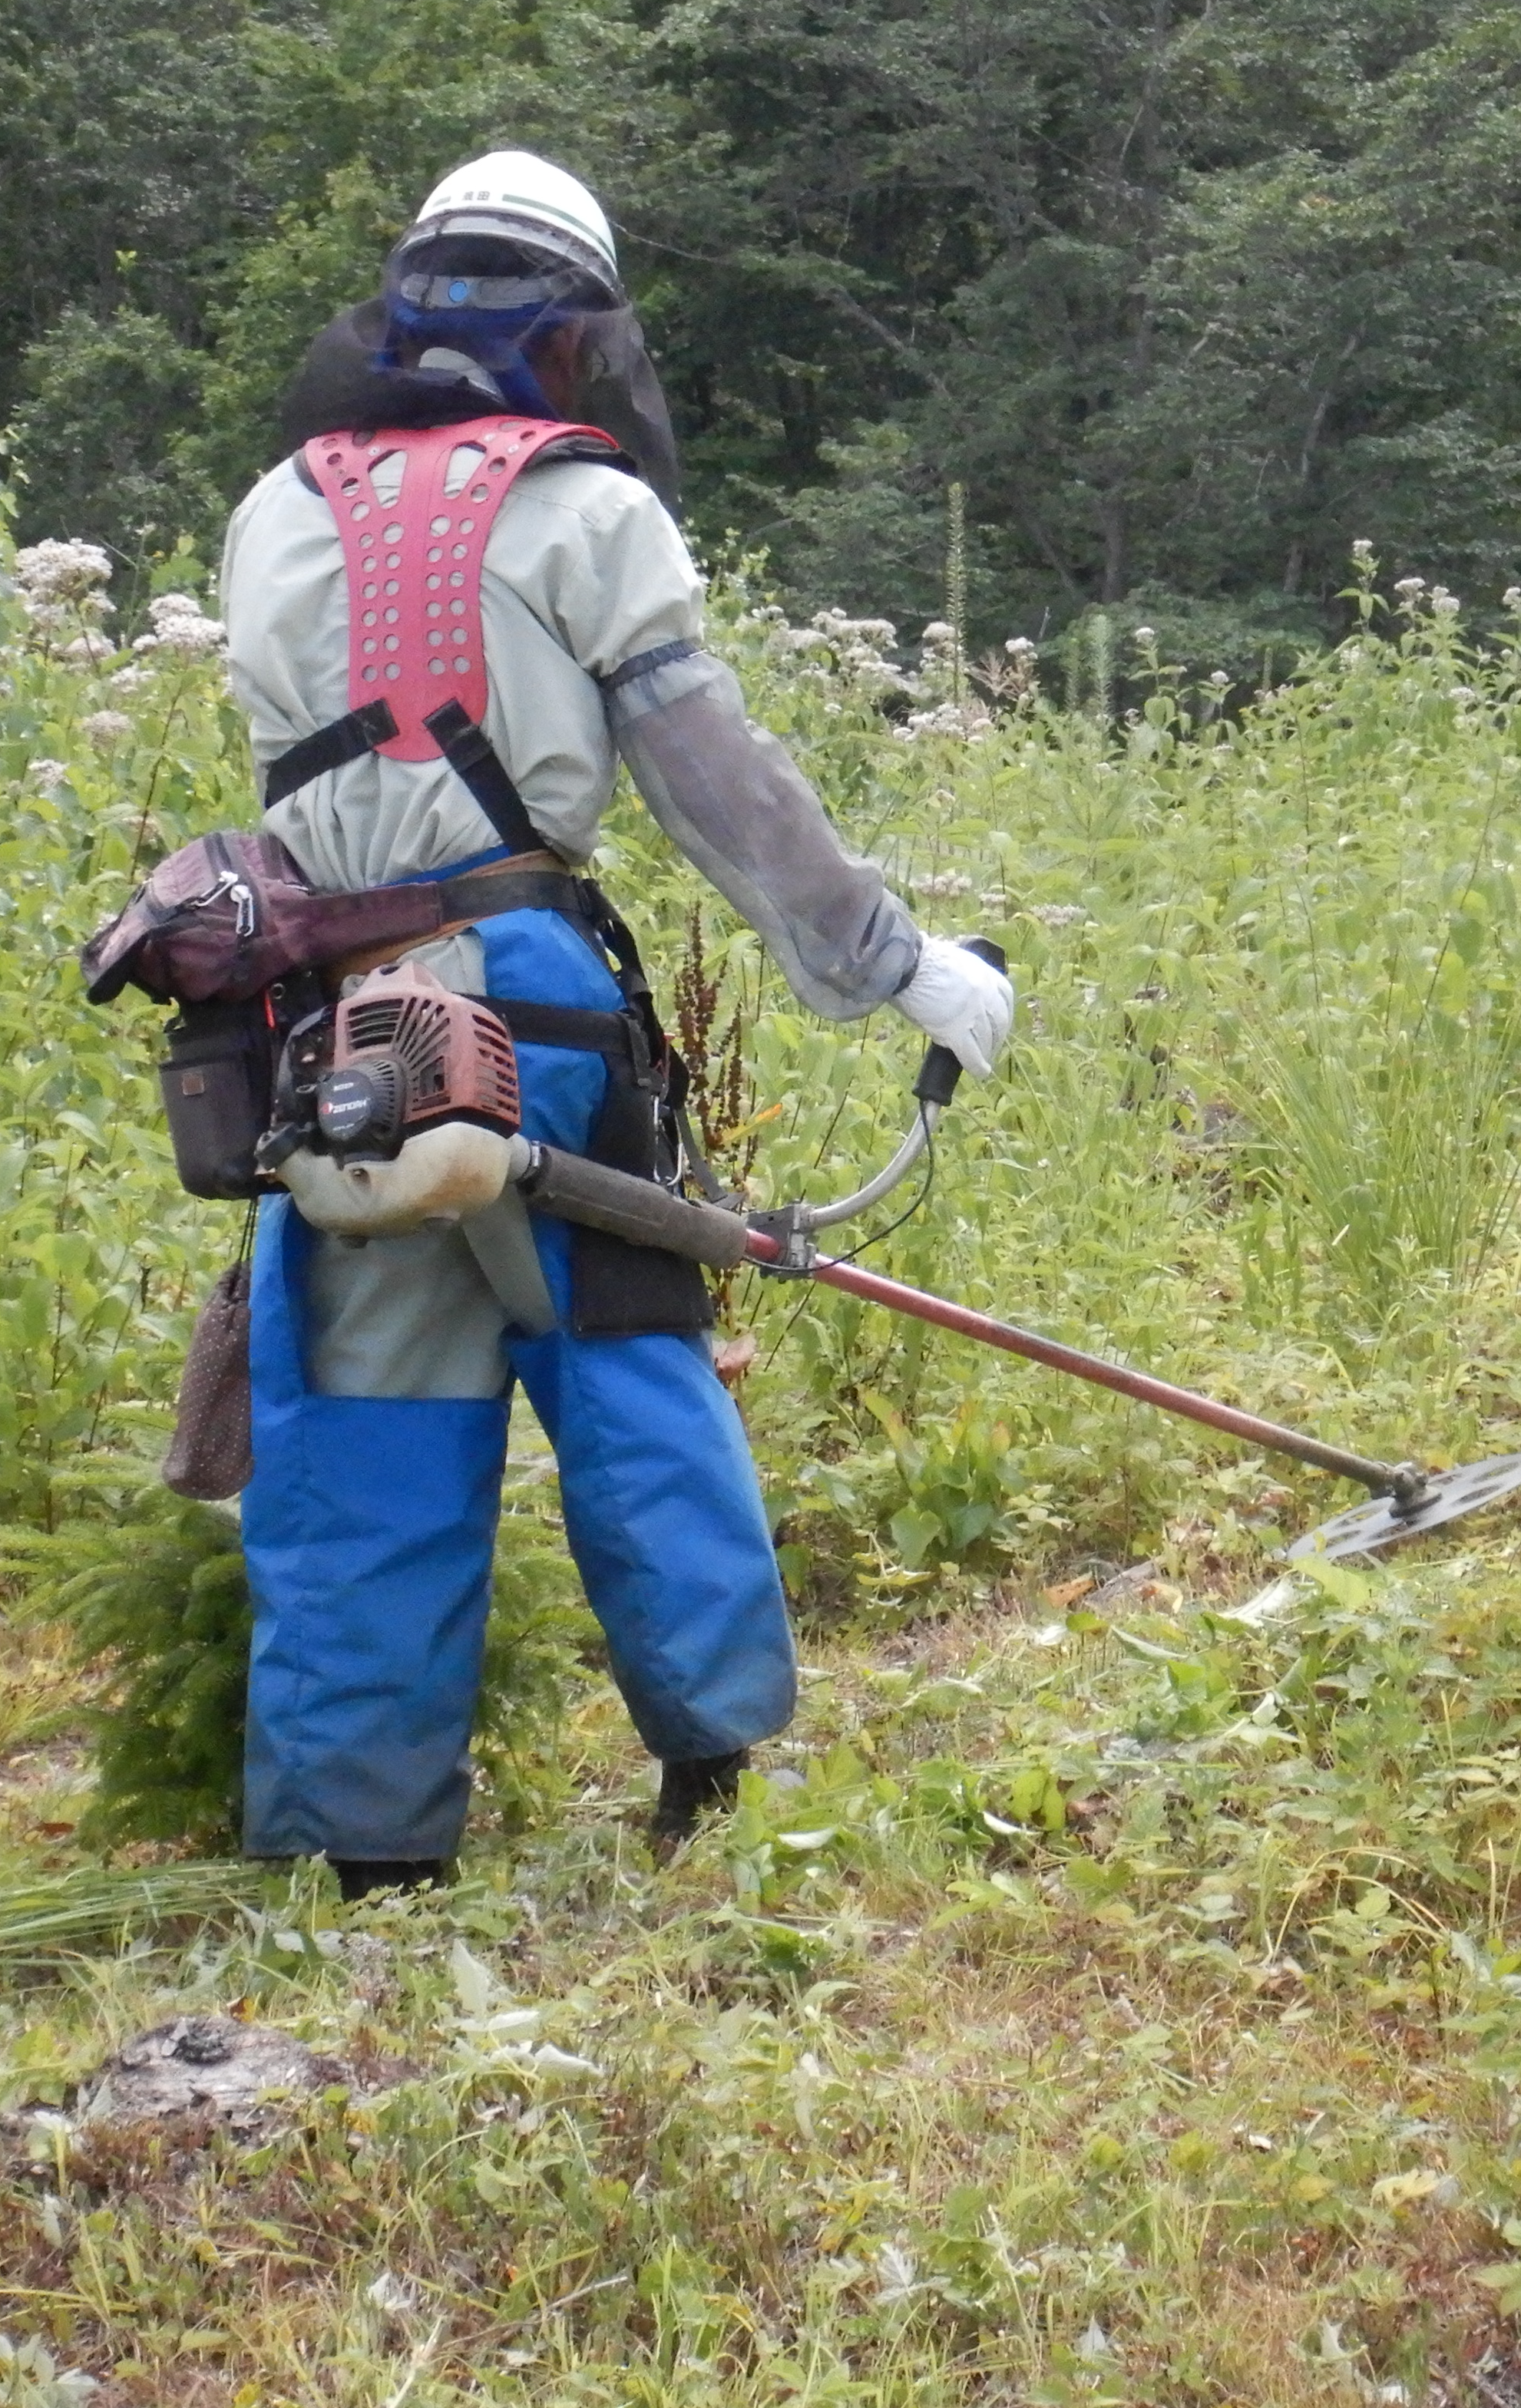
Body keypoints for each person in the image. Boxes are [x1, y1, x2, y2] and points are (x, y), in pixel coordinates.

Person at [217, 150, 1014, 1897]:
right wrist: (892, 963)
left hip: (342, 1027)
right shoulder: (586, 507)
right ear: (575, 331)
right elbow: (714, 778)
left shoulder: (275, 508)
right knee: (627, 1359)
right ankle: (710, 1776)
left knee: (364, 1415)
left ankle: (362, 1857)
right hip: (533, 1001)